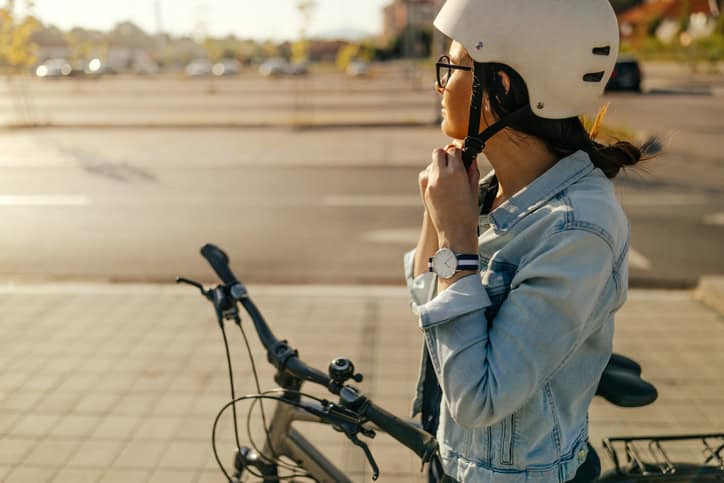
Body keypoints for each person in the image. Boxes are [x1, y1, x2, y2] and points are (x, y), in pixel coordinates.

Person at [403, 1, 647, 481]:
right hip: (453, 462)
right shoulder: (495, 189)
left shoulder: (577, 228)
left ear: (503, 87)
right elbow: (424, 297)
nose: (440, 83)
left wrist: (456, 237)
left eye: (453, 66)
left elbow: (479, 399)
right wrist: (441, 213)